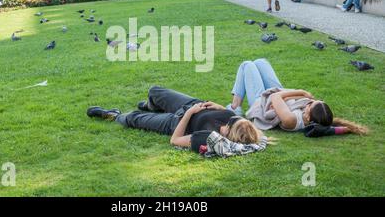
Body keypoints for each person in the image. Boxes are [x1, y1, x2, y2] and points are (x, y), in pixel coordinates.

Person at [87, 86, 268, 155]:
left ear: (230, 137)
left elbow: (175, 140)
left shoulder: (211, 138)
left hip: (178, 121)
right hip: (195, 104)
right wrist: (219, 107)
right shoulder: (238, 123)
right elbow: (232, 117)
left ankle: (113, 115)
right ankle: (153, 106)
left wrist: (189, 114)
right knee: (155, 91)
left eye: (228, 127)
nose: (226, 123)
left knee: (134, 118)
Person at [229, 59, 368, 134]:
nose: (308, 102)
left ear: (308, 117)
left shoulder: (292, 120)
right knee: (261, 62)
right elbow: (333, 127)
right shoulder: (318, 116)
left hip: (262, 104)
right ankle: (236, 105)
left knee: (247, 65)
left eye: (309, 105)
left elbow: (276, 97)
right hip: (277, 97)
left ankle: (235, 107)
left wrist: (300, 92)